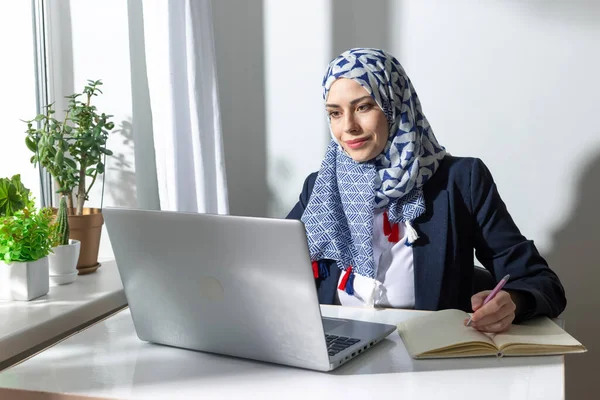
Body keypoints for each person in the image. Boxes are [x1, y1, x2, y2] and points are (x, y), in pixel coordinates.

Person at [286, 48, 566, 333]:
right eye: (335, 113)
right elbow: (271, 271)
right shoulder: (321, 187)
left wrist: (513, 301)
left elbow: (539, 281)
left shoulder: (460, 181)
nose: (348, 127)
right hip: (336, 345)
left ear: (393, 104)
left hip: (425, 355)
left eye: (363, 107)